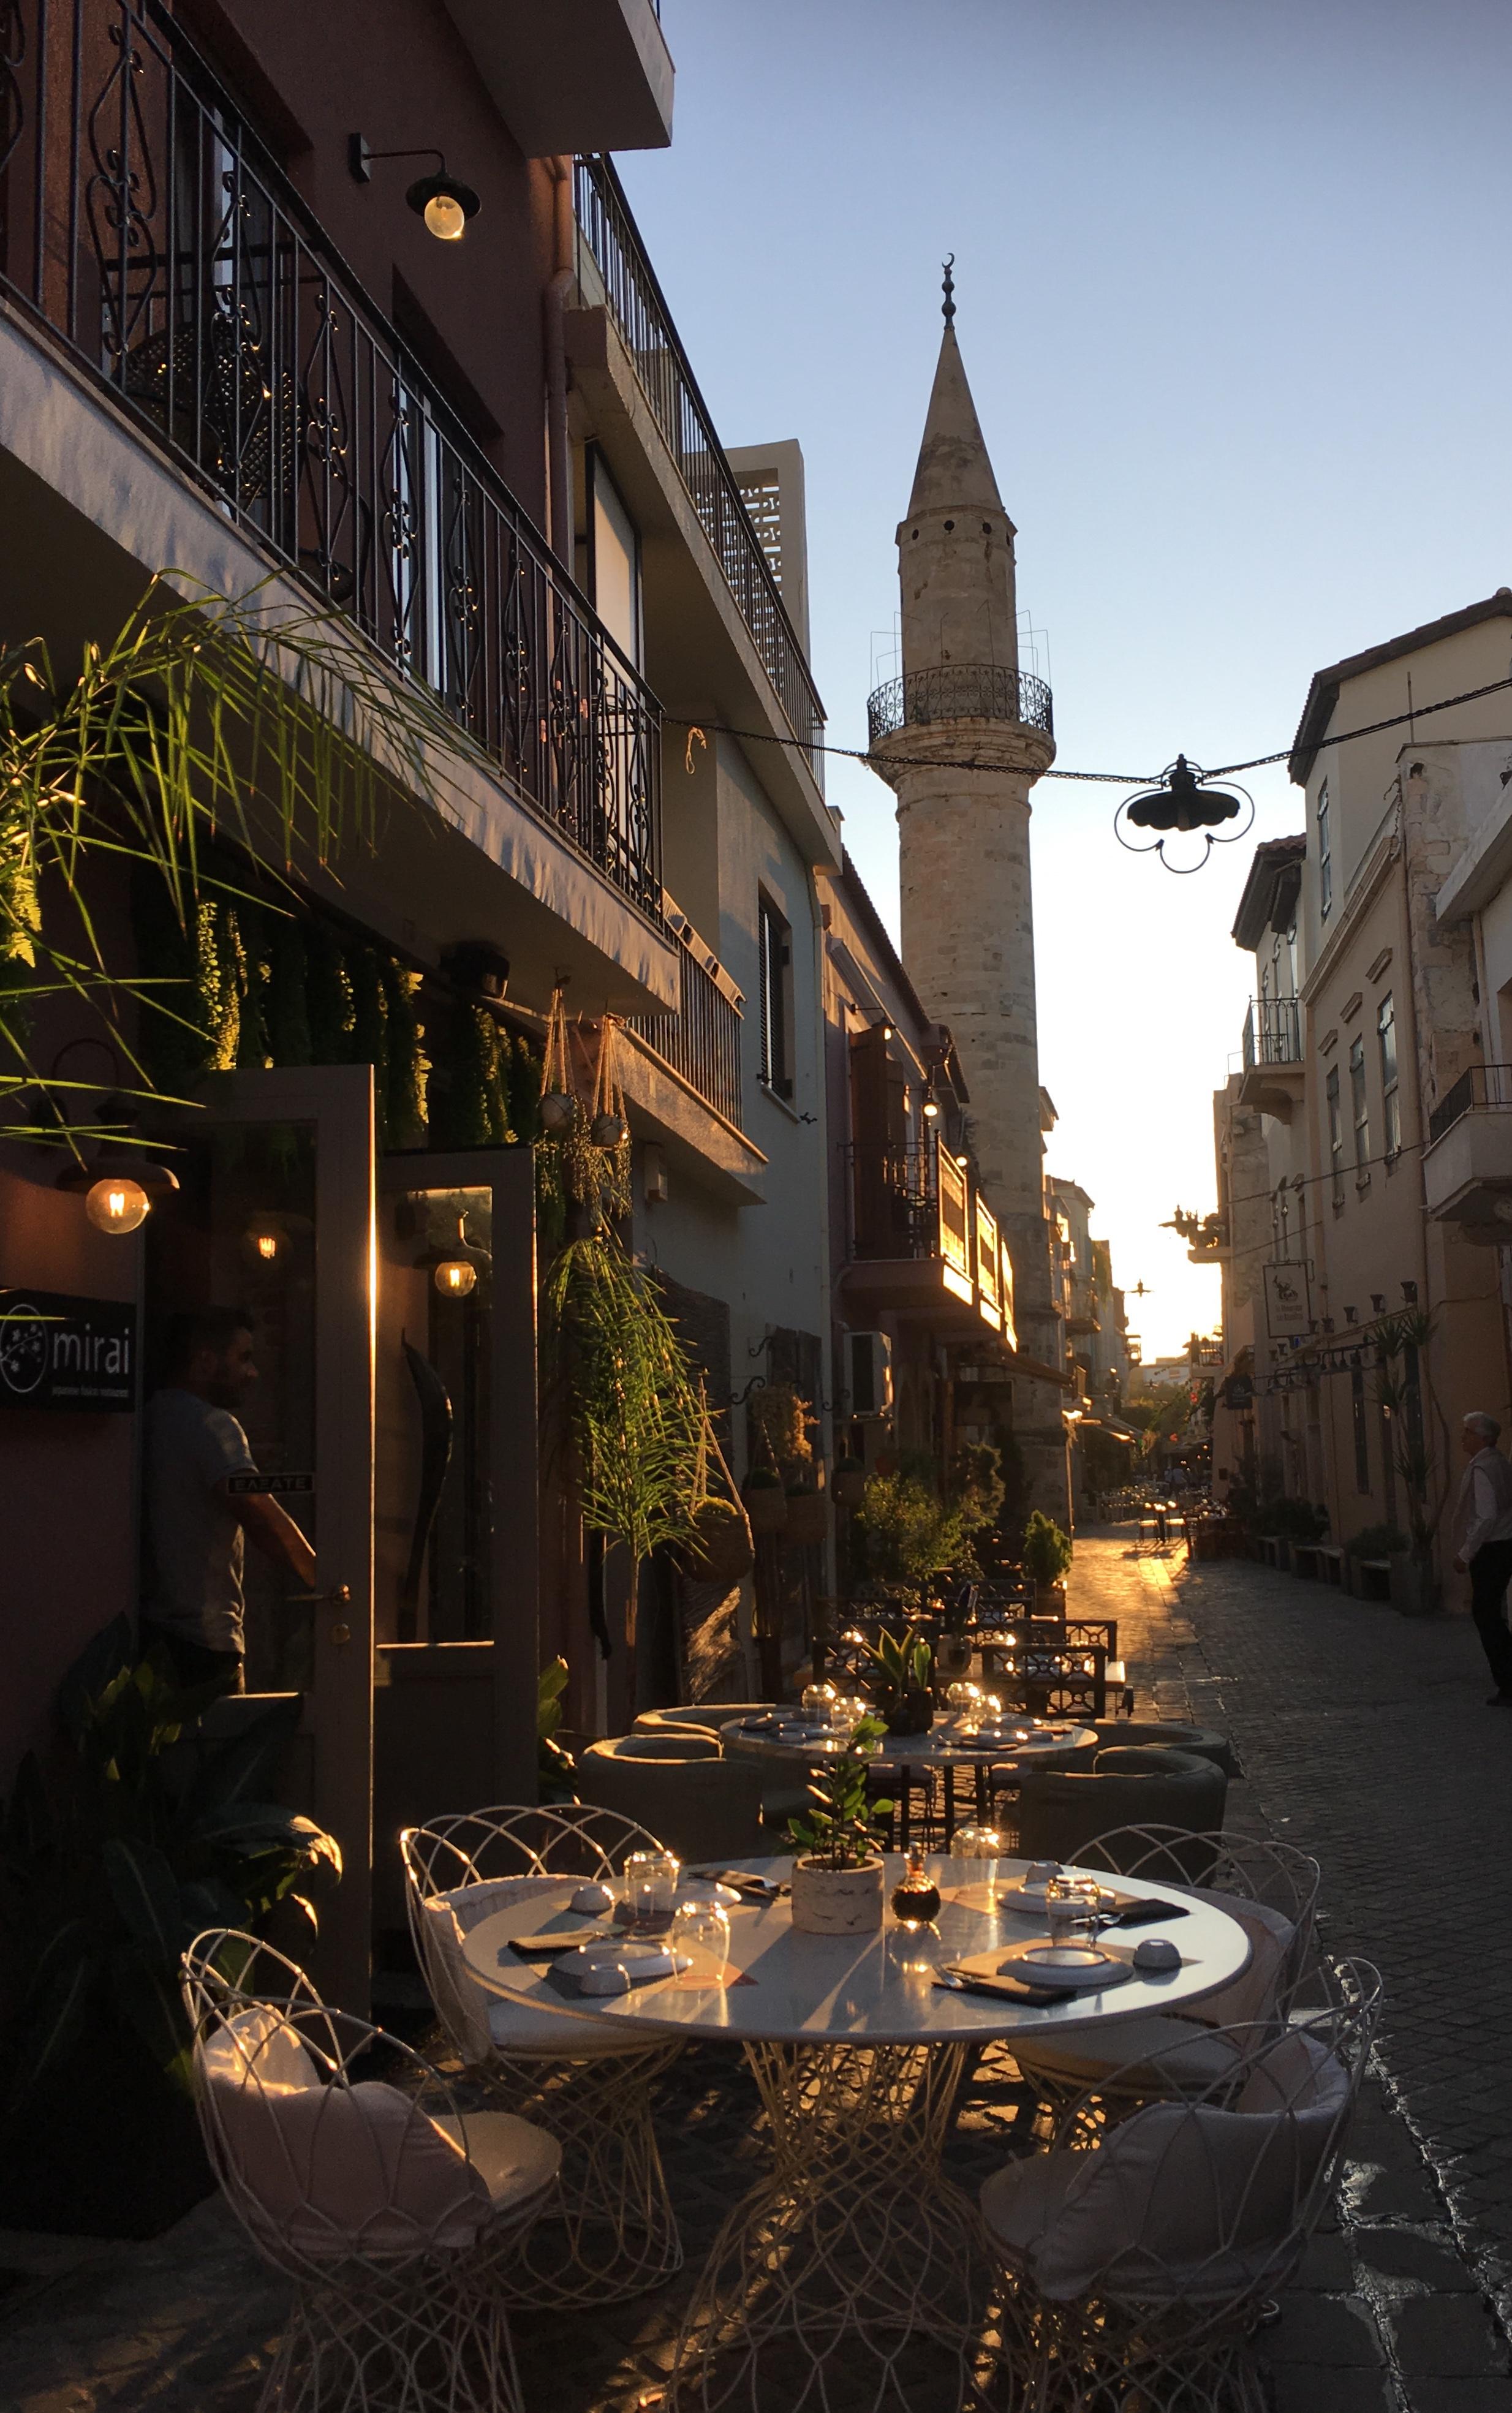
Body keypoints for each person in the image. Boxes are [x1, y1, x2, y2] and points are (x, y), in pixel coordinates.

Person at [142, 1305, 318, 1694]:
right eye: (244, 1358)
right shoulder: (214, 1426)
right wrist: (327, 1581)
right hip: (204, 1643)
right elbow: (258, 1515)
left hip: (154, 1635)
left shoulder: (149, 1416)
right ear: (205, 1361)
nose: (252, 1373)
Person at [1451, 1410, 1512, 1706]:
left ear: (1482, 1437)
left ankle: (1507, 1681)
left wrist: (1465, 1553)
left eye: (1467, 1433)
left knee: (1486, 1615)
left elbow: (1485, 1518)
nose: (1463, 1438)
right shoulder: (1499, 1463)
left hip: (1492, 1548)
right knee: (1491, 1615)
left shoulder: (1484, 1468)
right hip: (1503, 1545)